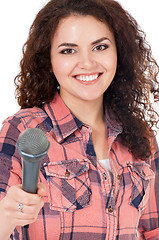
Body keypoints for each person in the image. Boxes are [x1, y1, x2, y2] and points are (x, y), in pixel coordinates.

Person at [0, 0, 159, 239]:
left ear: (119, 52)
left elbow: (153, 230)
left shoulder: (140, 137)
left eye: (100, 47)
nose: (87, 63)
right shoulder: (23, 130)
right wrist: (8, 215)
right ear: (49, 60)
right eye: (68, 50)